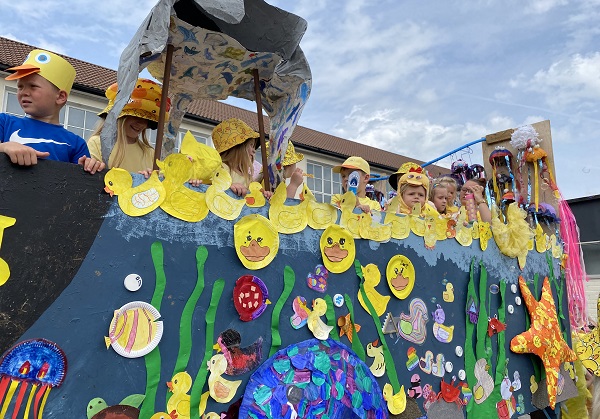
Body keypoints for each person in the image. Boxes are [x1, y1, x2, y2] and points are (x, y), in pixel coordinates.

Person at [0, 49, 103, 173]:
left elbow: (79, 185)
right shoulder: (4, 122)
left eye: (33, 86)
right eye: (20, 87)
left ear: (60, 97)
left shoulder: (76, 143)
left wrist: (89, 166)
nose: (24, 92)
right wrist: (4, 147)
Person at [87, 78, 168, 174]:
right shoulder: (97, 143)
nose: (141, 123)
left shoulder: (150, 153)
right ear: (119, 117)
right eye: (135, 116)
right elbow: (91, 179)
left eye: (146, 119)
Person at [211, 118, 270, 198]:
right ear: (237, 148)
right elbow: (212, 188)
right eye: (251, 145)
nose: (254, 151)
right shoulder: (222, 168)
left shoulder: (248, 177)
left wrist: (263, 195)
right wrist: (229, 187)